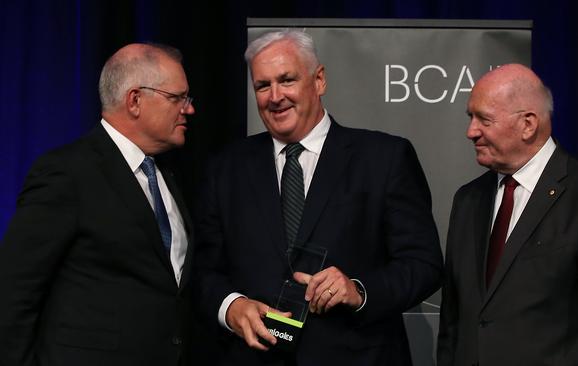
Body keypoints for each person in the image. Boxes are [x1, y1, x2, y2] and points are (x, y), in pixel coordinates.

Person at [194, 30, 443, 365]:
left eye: (287, 80)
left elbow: (423, 265)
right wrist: (231, 306)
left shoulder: (384, 158)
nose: (275, 96)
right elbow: (203, 270)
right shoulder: (225, 168)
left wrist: (359, 290)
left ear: (320, 80)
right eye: (263, 85)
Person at [437, 63, 578, 366]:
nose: (471, 131)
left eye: (483, 119)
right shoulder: (468, 199)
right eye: (470, 117)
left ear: (528, 124)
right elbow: (453, 322)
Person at [0, 43, 195, 366]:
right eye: (178, 98)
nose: (189, 109)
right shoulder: (67, 172)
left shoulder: (170, 174)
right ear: (135, 100)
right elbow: (13, 293)